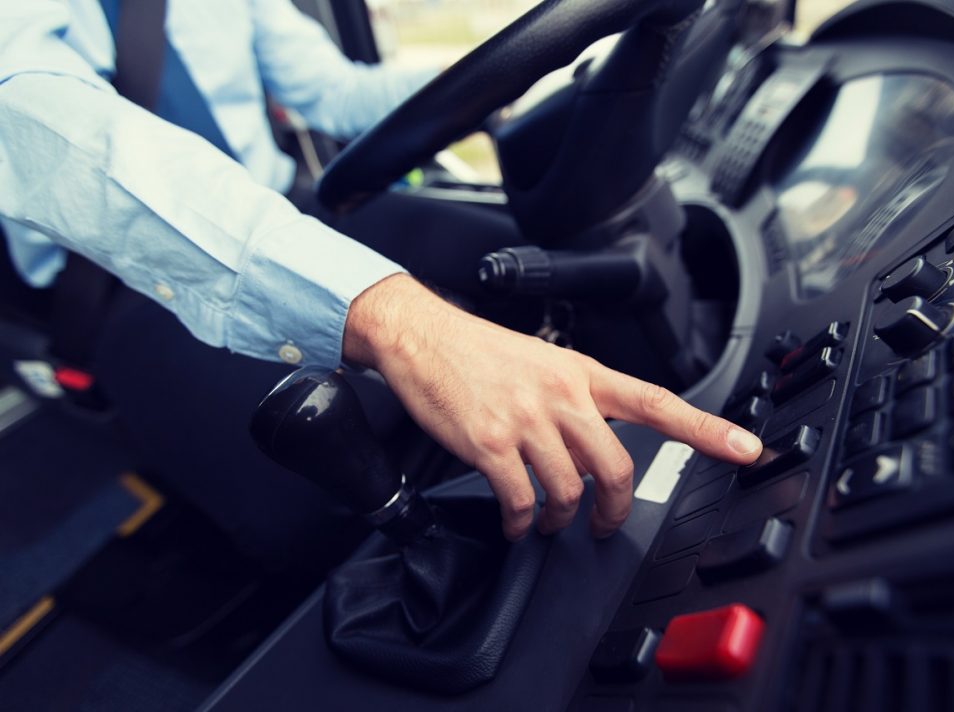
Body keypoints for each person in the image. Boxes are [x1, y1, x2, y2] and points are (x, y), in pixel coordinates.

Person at [0, 0, 762, 557]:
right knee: (299, 509)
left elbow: (334, 91)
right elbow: (66, 134)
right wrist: (400, 323)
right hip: (118, 279)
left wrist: (509, 74)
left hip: (282, 207)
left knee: (558, 280)